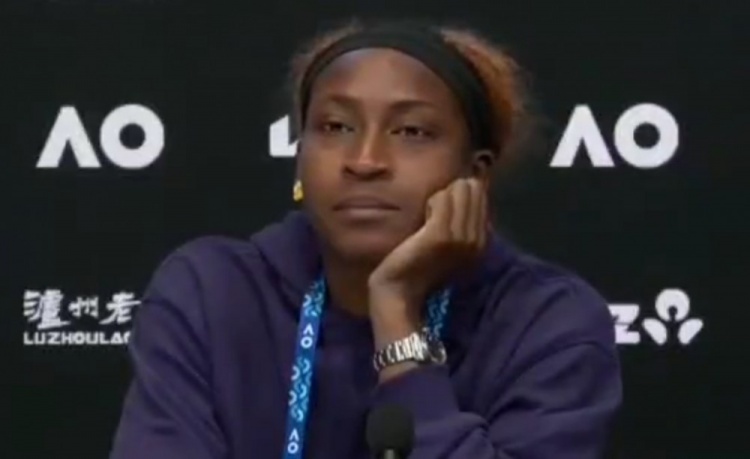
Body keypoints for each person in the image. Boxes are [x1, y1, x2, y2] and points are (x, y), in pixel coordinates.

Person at [110, 20, 621, 459]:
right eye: (335, 126)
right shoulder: (212, 292)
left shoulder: (547, 321)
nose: (365, 160)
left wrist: (397, 310)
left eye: (411, 132)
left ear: (476, 173)